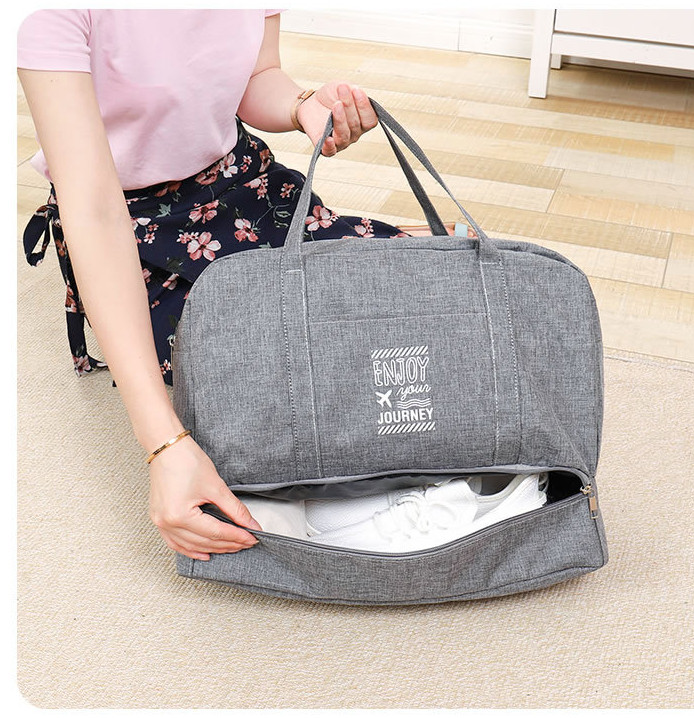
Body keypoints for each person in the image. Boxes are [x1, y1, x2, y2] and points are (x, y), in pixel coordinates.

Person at [17, 9, 464, 564]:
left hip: (239, 181)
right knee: (252, 378)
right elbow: (93, 208)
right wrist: (165, 447)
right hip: (129, 219)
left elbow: (254, 77)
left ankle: (402, 247)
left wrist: (302, 104)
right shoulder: (54, 12)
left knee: (381, 316)